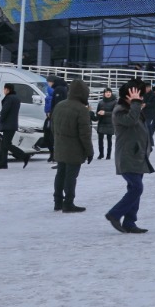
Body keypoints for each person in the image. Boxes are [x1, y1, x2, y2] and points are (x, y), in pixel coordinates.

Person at [105, 81, 154, 234]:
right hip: (127, 156)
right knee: (137, 188)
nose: (141, 98)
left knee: (134, 189)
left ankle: (130, 222)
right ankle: (114, 213)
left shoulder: (132, 108)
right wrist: (136, 104)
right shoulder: (119, 110)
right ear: (129, 96)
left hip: (138, 155)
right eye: (138, 95)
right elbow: (130, 121)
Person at [51, 79, 94, 212]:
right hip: (74, 149)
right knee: (71, 177)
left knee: (60, 174)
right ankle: (68, 203)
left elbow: (53, 127)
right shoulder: (81, 110)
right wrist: (89, 151)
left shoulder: (60, 105)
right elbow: (85, 135)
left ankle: (58, 202)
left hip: (59, 146)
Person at [0, 83, 33, 169]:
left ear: (7, 89)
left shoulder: (9, 98)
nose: (3, 91)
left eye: (4, 89)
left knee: (6, 144)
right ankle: (3, 163)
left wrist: (1, 119)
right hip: (12, 123)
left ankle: (24, 156)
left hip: (8, 124)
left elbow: (5, 111)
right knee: (4, 144)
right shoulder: (16, 98)